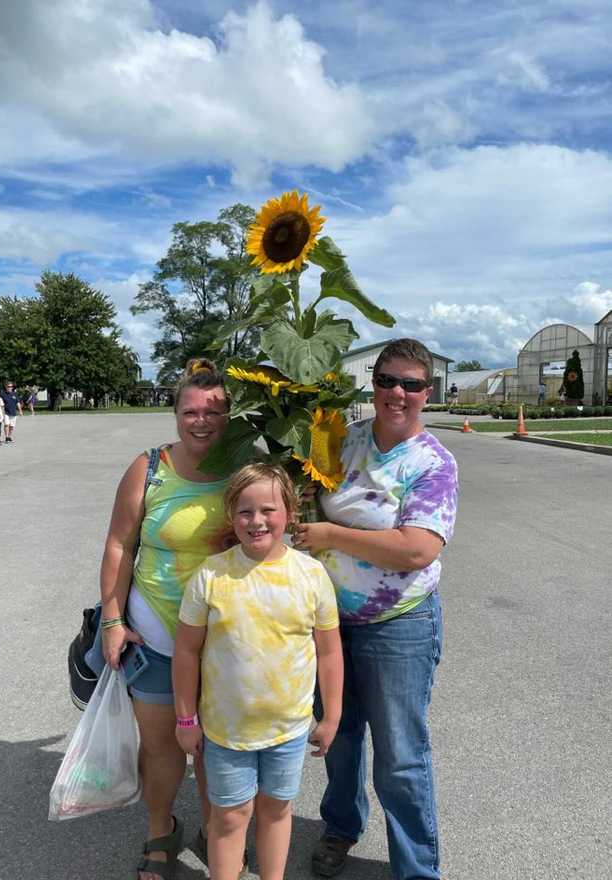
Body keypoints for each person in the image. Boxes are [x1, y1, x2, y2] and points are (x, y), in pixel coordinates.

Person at [293, 338, 459, 880]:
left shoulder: (433, 463)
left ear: (426, 393)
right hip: (331, 625)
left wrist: (330, 535)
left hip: (399, 625)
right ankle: (341, 828)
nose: (397, 393)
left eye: (411, 384)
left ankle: (417, 868)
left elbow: (417, 548)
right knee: (338, 741)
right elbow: (301, 488)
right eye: (388, 380)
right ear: (374, 382)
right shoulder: (344, 443)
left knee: (400, 757)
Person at [174, 463, 343, 880]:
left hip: (288, 730)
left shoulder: (311, 575)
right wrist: (185, 719)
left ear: (289, 510)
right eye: (245, 511)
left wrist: (333, 714)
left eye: (268, 509)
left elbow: (328, 652)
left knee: (276, 810)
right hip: (227, 732)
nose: (257, 521)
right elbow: (186, 651)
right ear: (231, 515)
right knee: (230, 818)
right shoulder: (211, 576)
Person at [100, 358, 233, 880]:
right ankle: (161, 831)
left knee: (218, 750)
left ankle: (216, 829)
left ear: (230, 415)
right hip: (155, 634)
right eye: (190, 411)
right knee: (161, 748)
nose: (201, 420)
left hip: (227, 639)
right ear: (176, 413)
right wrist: (112, 618)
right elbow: (119, 544)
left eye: (214, 411)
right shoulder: (149, 468)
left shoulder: (246, 466)